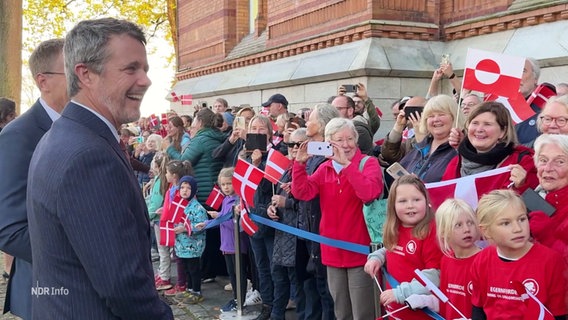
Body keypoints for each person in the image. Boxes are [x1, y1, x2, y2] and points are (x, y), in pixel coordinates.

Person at [26, 18, 173, 319]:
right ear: (86, 74)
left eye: (145, 69)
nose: (145, 80)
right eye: (131, 69)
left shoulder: (66, 135)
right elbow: (124, 286)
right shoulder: (88, 155)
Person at [0, 38, 68, 320]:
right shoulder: (18, 135)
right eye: (75, 73)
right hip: (49, 291)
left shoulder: (91, 126)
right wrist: (82, 256)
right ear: (44, 81)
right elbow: (9, 229)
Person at [292, 118, 382, 320]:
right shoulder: (325, 168)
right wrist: (299, 164)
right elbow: (302, 193)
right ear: (329, 143)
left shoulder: (369, 164)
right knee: (341, 312)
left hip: (361, 252)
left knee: (363, 312)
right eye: (339, 140)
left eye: (350, 139)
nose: (346, 144)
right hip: (332, 251)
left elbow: (369, 193)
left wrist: (347, 166)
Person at [472, 190, 567, 319]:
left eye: (522, 219)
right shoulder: (482, 260)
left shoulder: (550, 261)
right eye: (506, 223)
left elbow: (559, 314)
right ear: (486, 231)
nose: (518, 228)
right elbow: (478, 309)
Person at [364, 175, 443, 320]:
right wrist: (377, 257)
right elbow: (391, 249)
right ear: (392, 205)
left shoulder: (432, 231)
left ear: (426, 201)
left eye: (416, 200)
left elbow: (434, 275)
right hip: (396, 312)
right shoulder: (396, 227)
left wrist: (400, 293)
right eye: (402, 201)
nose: (410, 205)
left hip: (420, 314)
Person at [296, 104, 339, 320]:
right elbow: (301, 190)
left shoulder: (330, 156)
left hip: (322, 230)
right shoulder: (311, 152)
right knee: (312, 287)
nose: (306, 122)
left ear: (321, 125)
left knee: (326, 292)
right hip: (307, 230)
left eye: (310, 119)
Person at [444, 101, 539, 194]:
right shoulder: (456, 163)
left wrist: (522, 186)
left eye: (487, 124)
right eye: (475, 123)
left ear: (503, 131)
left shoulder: (522, 163)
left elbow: (534, 205)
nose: (479, 129)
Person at [198, 168, 249, 313]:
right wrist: (207, 223)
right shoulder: (226, 199)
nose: (226, 187)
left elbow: (233, 222)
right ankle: (235, 299)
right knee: (232, 274)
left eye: (229, 184)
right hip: (226, 244)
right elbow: (223, 216)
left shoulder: (238, 201)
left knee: (239, 274)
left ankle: (241, 301)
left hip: (237, 244)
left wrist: (217, 218)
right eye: (223, 184)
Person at [434, 198, 481, 319]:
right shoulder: (446, 260)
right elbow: (445, 300)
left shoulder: (485, 260)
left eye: (470, 222)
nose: (467, 229)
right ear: (444, 232)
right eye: (458, 225)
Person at [399, 94, 461, 183]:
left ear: (454, 117)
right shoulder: (420, 147)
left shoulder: (460, 150)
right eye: (431, 116)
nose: (436, 119)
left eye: (441, 114)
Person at [529, 134, 568, 267]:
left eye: (560, 162)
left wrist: (548, 236)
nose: (548, 168)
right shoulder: (532, 197)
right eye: (543, 160)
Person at [168, 176, 208, 304]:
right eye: (182, 187)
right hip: (181, 245)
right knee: (186, 269)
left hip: (193, 246)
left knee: (194, 269)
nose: (185, 190)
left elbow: (200, 227)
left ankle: (196, 291)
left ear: (194, 190)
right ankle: (189, 289)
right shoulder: (179, 205)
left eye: (188, 188)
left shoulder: (198, 208)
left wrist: (185, 228)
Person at [156, 159, 194, 291]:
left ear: (174, 176)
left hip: (180, 226)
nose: (165, 175)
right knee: (177, 255)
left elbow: (182, 207)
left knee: (180, 257)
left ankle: (182, 284)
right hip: (174, 224)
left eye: (167, 172)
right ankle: (182, 283)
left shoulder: (182, 189)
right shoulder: (172, 188)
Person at [380, 96, 428, 166]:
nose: (407, 113)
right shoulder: (409, 137)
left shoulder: (435, 133)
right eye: (404, 110)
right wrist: (398, 127)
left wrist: (420, 131)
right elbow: (390, 156)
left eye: (412, 110)